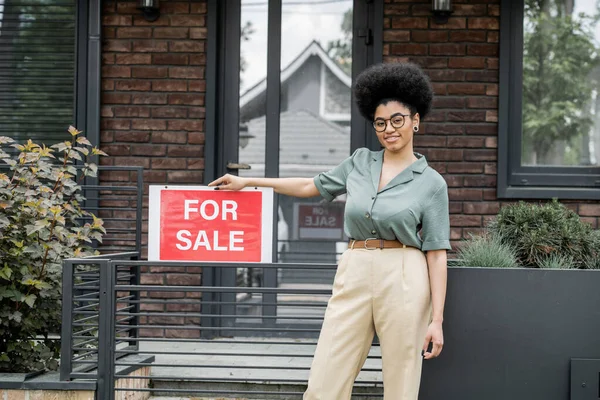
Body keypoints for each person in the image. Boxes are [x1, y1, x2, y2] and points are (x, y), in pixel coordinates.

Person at [209, 62, 450, 400]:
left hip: (405, 272)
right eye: (380, 122)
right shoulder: (360, 162)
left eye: (397, 120)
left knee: (402, 375)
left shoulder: (431, 183)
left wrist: (436, 320)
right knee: (327, 374)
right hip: (354, 266)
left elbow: (437, 254)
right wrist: (250, 180)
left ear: (415, 121)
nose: (388, 129)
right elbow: (311, 185)